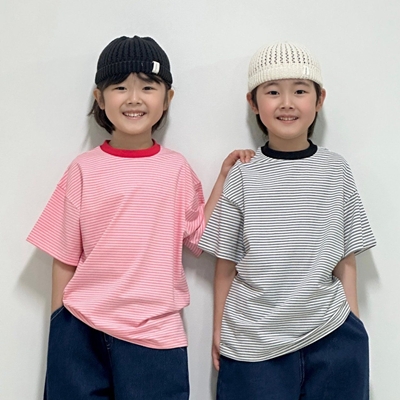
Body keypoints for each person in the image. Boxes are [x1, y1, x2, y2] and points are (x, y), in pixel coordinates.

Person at [27, 35, 253, 400]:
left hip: (156, 336)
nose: (134, 98)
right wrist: (59, 332)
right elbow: (64, 257)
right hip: (80, 330)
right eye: (120, 87)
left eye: (148, 87)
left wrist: (224, 179)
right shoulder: (83, 169)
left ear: (167, 98)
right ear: (100, 98)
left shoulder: (176, 170)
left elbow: (200, 237)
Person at [199, 42, 376, 399]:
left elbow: (346, 258)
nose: (287, 103)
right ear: (253, 103)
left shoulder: (336, 170)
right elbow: (225, 263)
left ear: (319, 99)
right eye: (272, 92)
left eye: (300, 91)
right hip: (253, 342)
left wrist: (355, 326)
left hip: (332, 334)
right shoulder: (243, 174)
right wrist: (218, 329)